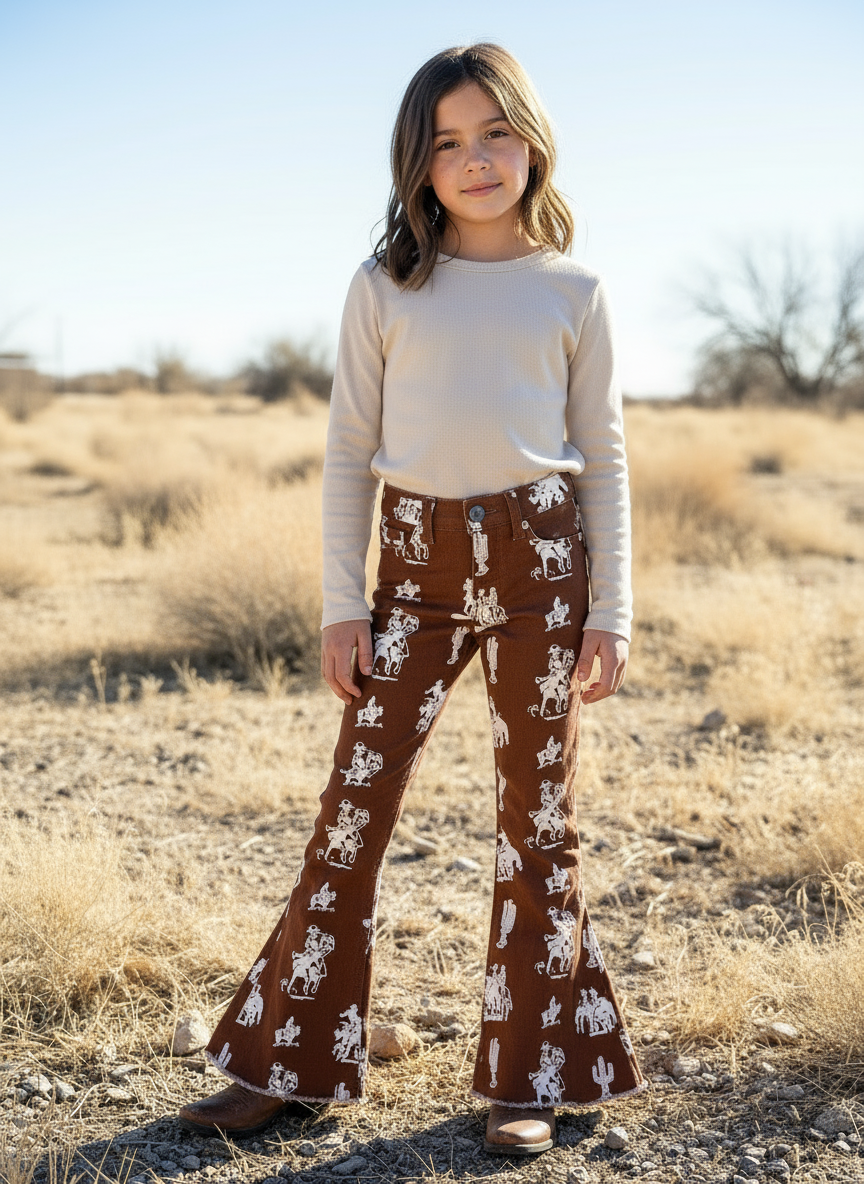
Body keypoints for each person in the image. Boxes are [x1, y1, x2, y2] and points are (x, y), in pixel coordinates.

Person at [179, 41, 647, 1155]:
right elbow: (349, 449)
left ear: (532, 140)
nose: (476, 159)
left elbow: (606, 457)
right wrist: (346, 602)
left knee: (538, 821)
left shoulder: (575, 288)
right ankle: (283, 1061)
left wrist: (611, 609)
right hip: (415, 565)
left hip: (542, 564)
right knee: (352, 811)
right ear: (419, 165)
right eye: (448, 142)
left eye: (494, 134)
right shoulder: (388, 284)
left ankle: (527, 1072)